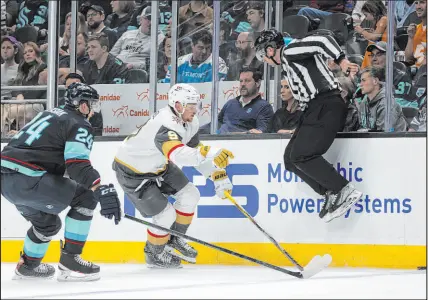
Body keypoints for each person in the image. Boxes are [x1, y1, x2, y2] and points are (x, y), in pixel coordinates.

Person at [0, 82, 121, 281]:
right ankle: (70, 261)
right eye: (92, 104)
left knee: (46, 223)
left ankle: (27, 267)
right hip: (29, 178)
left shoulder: (48, 114)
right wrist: (98, 188)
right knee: (86, 197)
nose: (93, 110)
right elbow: (77, 165)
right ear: (83, 105)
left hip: (6, 182)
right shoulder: (79, 123)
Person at [113, 83, 234, 268]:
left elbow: (193, 150)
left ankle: (174, 238)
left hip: (159, 165)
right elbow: (178, 155)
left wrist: (216, 174)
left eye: (197, 105)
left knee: (191, 195)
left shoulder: (190, 122)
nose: (195, 110)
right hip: (133, 172)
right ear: (178, 105)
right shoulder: (166, 123)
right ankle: (153, 254)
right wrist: (210, 152)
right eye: (191, 106)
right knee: (165, 216)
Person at [254, 28, 362, 223]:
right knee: (290, 159)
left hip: (326, 103)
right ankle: (329, 192)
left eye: (263, 54)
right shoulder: (288, 62)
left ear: (270, 50)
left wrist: (342, 60)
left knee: (301, 156)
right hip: (315, 108)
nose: (265, 61)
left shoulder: (290, 50)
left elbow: (323, 38)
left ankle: (343, 188)